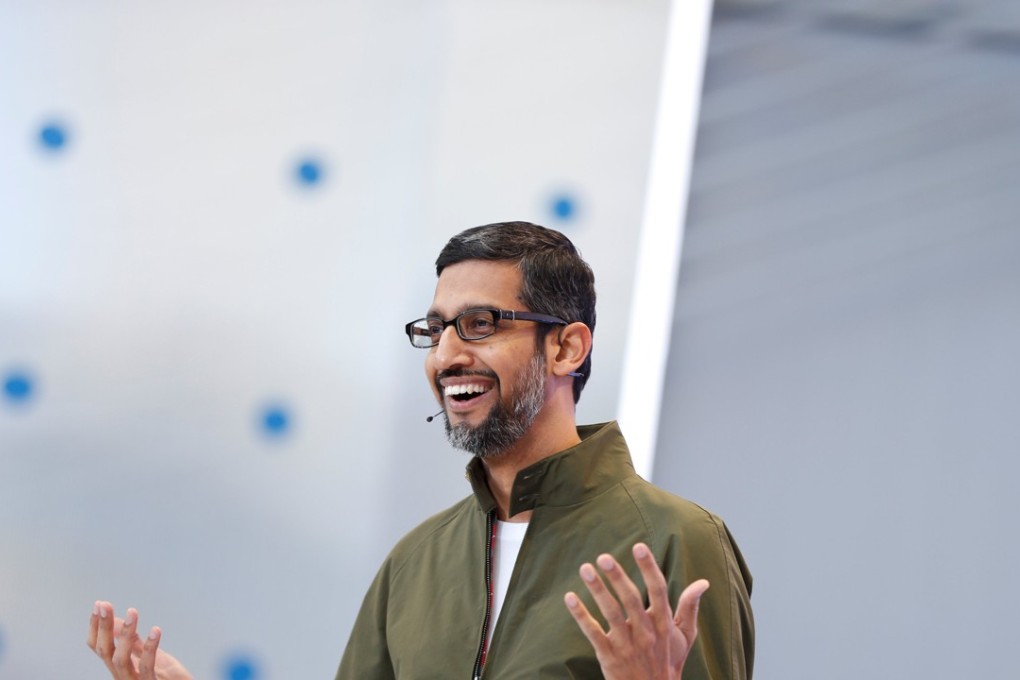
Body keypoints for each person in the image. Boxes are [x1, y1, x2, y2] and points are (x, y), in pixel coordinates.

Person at [88, 221, 754, 679]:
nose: (447, 355)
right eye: (435, 330)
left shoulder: (674, 541)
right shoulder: (416, 563)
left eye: (480, 325)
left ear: (567, 347)